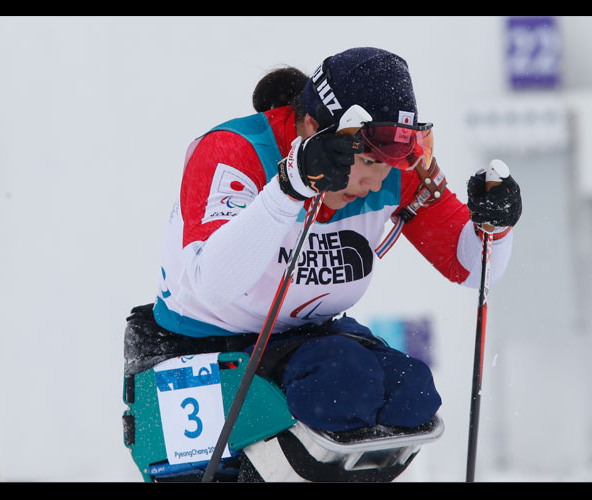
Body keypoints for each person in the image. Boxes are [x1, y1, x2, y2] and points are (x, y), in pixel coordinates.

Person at [123, 47, 522, 482]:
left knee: (411, 393)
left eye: (390, 165)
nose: (377, 182)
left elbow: (472, 268)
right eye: (368, 161)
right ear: (311, 128)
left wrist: (493, 226)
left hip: (310, 342)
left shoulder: (393, 169)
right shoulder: (234, 151)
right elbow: (213, 285)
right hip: (207, 342)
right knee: (343, 384)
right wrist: (289, 187)